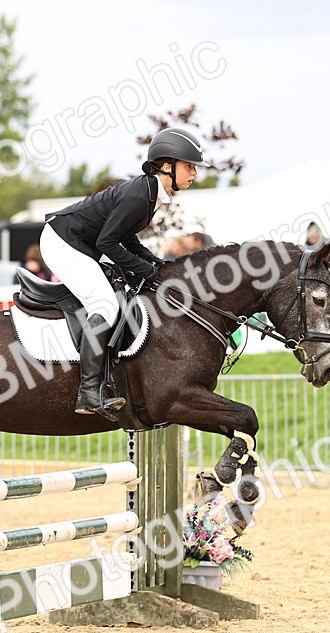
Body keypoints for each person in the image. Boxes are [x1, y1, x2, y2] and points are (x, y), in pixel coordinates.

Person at [41, 126, 210, 418]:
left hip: (77, 242)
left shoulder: (149, 192)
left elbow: (127, 237)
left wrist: (156, 263)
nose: (194, 173)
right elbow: (107, 241)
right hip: (62, 242)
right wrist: (145, 268)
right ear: (167, 166)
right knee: (104, 305)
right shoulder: (139, 194)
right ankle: (89, 391)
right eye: (189, 166)